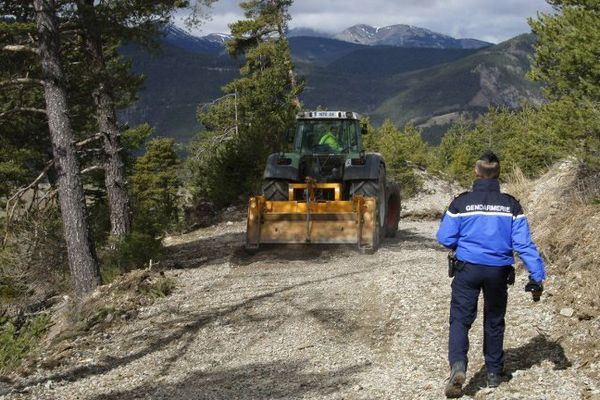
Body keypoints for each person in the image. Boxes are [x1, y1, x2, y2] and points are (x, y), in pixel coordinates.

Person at [436, 151, 546, 398]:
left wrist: (464, 242)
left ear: (476, 173)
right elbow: (524, 244)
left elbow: (444, 238)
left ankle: (458, 366)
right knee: (494, 320)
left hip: (467, 269)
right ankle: (495, 373)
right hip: (498, 271)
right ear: (498, 174)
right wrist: (536, 275)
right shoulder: (511, 205)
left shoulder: (460, 203)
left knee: (460, 320)